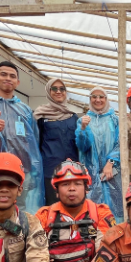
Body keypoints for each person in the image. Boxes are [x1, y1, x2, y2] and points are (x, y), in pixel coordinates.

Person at [0, 62, 45, 213]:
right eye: (3, 74)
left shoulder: (25, 110)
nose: (8, 78)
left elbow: (34, 142)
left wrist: (33, 169)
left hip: (21, 169)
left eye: (12, 76)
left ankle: (18, 235)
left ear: (17, 82)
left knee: (20, 208)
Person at [75, 87, 124, 222]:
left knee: (114, 211)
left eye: (101, 97)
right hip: (91, 174)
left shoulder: (114, 120)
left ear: (106, 99)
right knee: (92, 210)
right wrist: (83, 129)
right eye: (94, 96)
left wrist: (111, 162)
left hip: (112, 173)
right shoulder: (83, 120)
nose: (98, 100)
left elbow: (120, 144)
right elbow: (82, 146)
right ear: (90, 99)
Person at [34, 77, 80, 205]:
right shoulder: (41, 116)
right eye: (54, 88)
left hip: (72, 170)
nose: (58, 91)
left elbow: (79, 143)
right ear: (49, 91)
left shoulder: (73, 116)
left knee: (72, 205)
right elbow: (35, 143)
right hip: (50, 170)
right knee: (53, 207)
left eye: (62, 89)